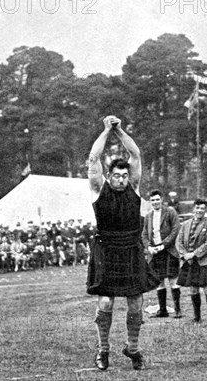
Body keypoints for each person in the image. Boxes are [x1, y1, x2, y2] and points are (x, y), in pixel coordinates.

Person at [86, 115, 158, 372]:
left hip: (131, 249)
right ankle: (103, 350)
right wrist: (106, 131)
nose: (121, 180)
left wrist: (121, 131)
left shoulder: (134, 187)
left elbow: (136, 155)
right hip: (106, 250)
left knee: (135, 303)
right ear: (109, 176)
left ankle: (133, 348)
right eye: (116, 176)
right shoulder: (98, 188)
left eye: (124, 176)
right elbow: (94, 159)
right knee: (105, 303)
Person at [176, 199, 207, 323]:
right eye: (198, 208)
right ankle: (197, 317)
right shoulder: (185, 224)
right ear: (193, 209)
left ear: (205, 210)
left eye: (202, 208)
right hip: (189, 262)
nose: (199, 210)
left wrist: (193, 254)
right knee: (193, 288)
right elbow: (178, 242)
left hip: (204, 261)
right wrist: (184, 255)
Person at [142, 190, 182, 318]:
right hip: (155, 253)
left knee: (173, 280)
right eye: (153, 200)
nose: (155, 202)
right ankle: (163, 310)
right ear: (150, 202)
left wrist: (163, 245)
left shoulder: (170, 212)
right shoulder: (148, 216)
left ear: (162, 200)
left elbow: (176, 230)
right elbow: (144, 234)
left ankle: (178, 310)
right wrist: (149, 247)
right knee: (159, 281)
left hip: (169, 251)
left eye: (157, 200)